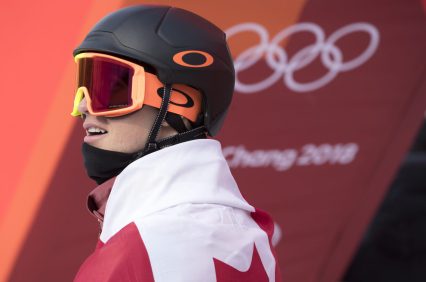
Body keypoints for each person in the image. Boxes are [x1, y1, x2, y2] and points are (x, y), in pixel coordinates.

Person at [71, 5, 281, 282]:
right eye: (84, 84)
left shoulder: (143, 245)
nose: (85, 105)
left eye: (110, 87)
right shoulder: (249, 235)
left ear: (180, 103)